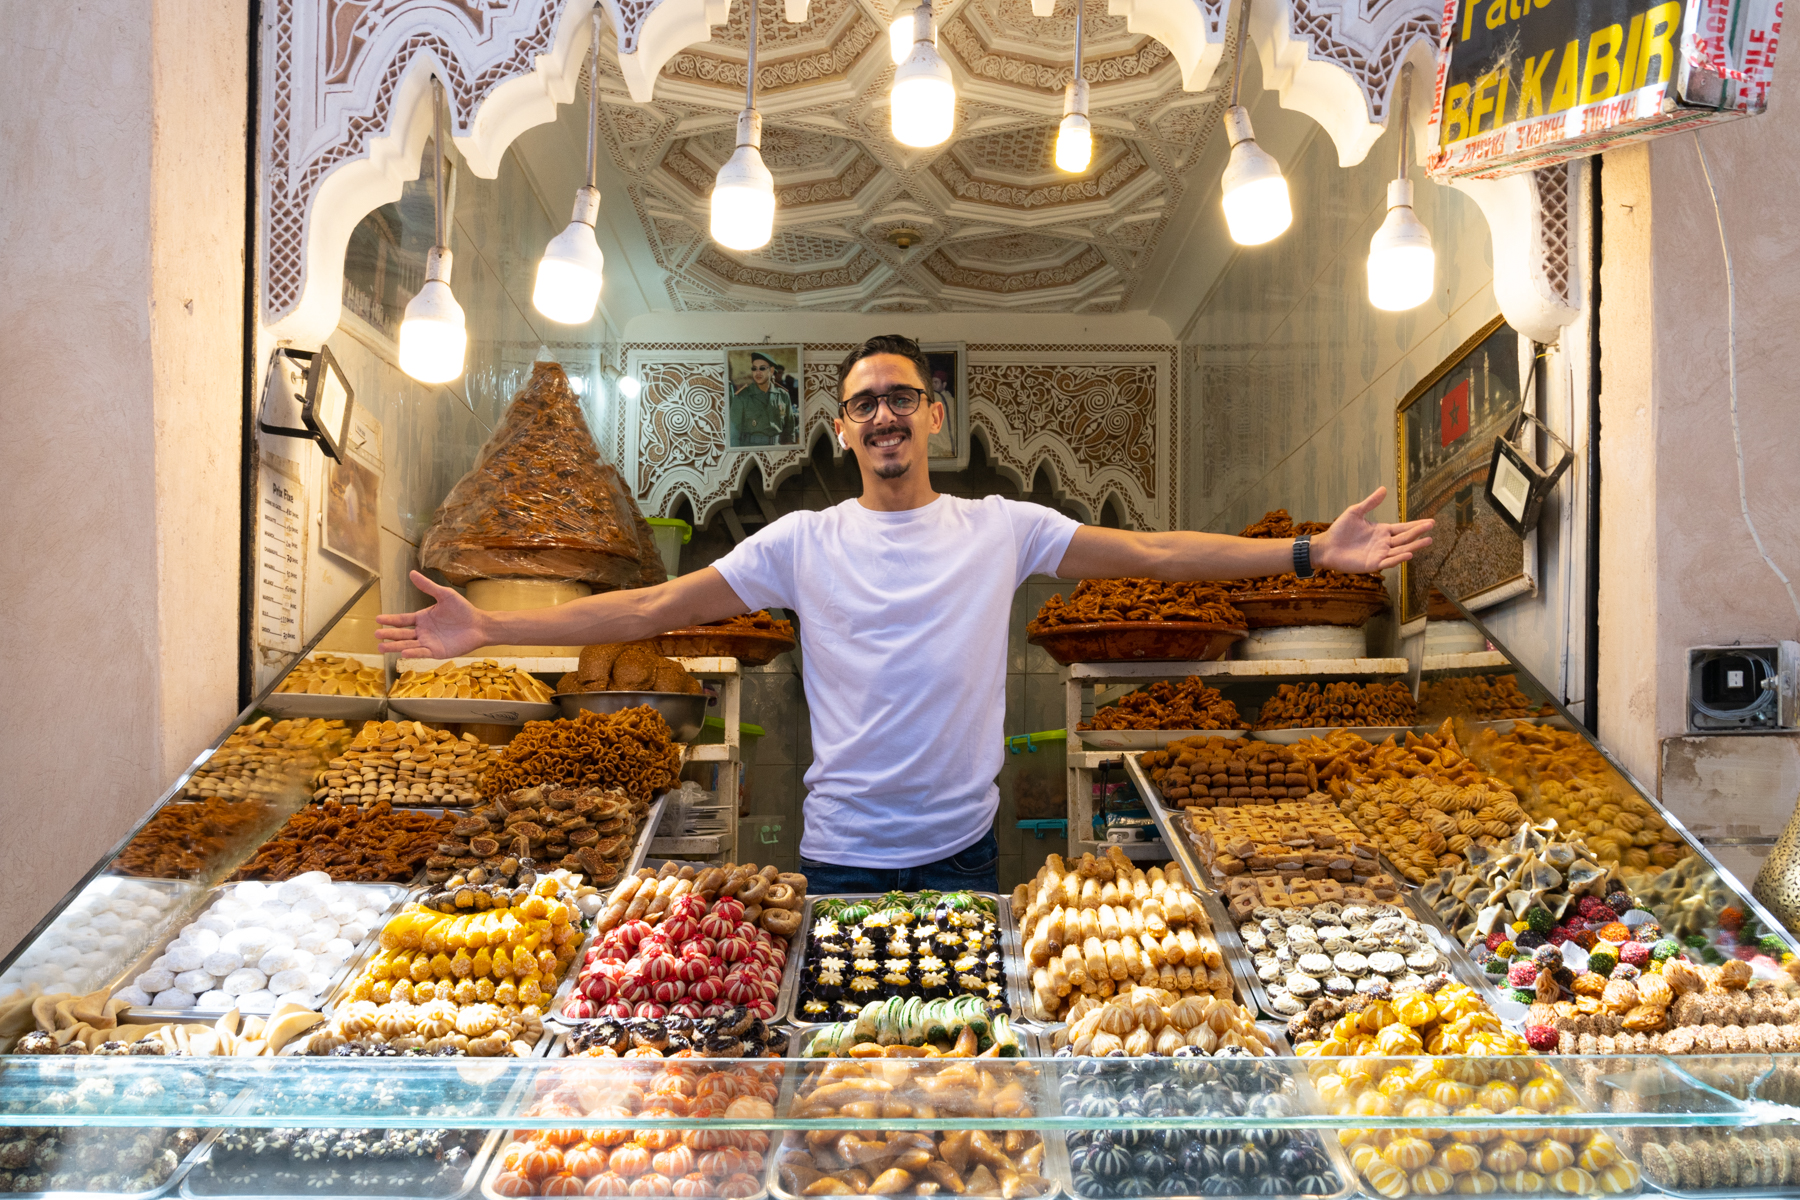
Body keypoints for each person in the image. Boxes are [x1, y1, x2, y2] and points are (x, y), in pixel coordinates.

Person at [378, 334, 1433, 895]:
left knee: (949, 1095)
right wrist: (490, 630)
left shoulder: (1002, 527)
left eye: (900, 397)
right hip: (838, 858)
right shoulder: (802, 545)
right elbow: (649, 605)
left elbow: (1154, 548)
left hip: (965, 853)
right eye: (862, 403)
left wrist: (1305, 552)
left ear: (934, 414)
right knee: (848, 1095)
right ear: (844, 432)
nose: (883, 414)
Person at [730, 351, 796, 446]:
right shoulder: (742, 397)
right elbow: (734, 434)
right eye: (754, 368)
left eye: (762, 368)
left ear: (772, 371)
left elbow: (790, 427)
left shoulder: (783, 395)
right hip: (750, 448)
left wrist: (789, 450)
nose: (757, 372)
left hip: (776, 448)